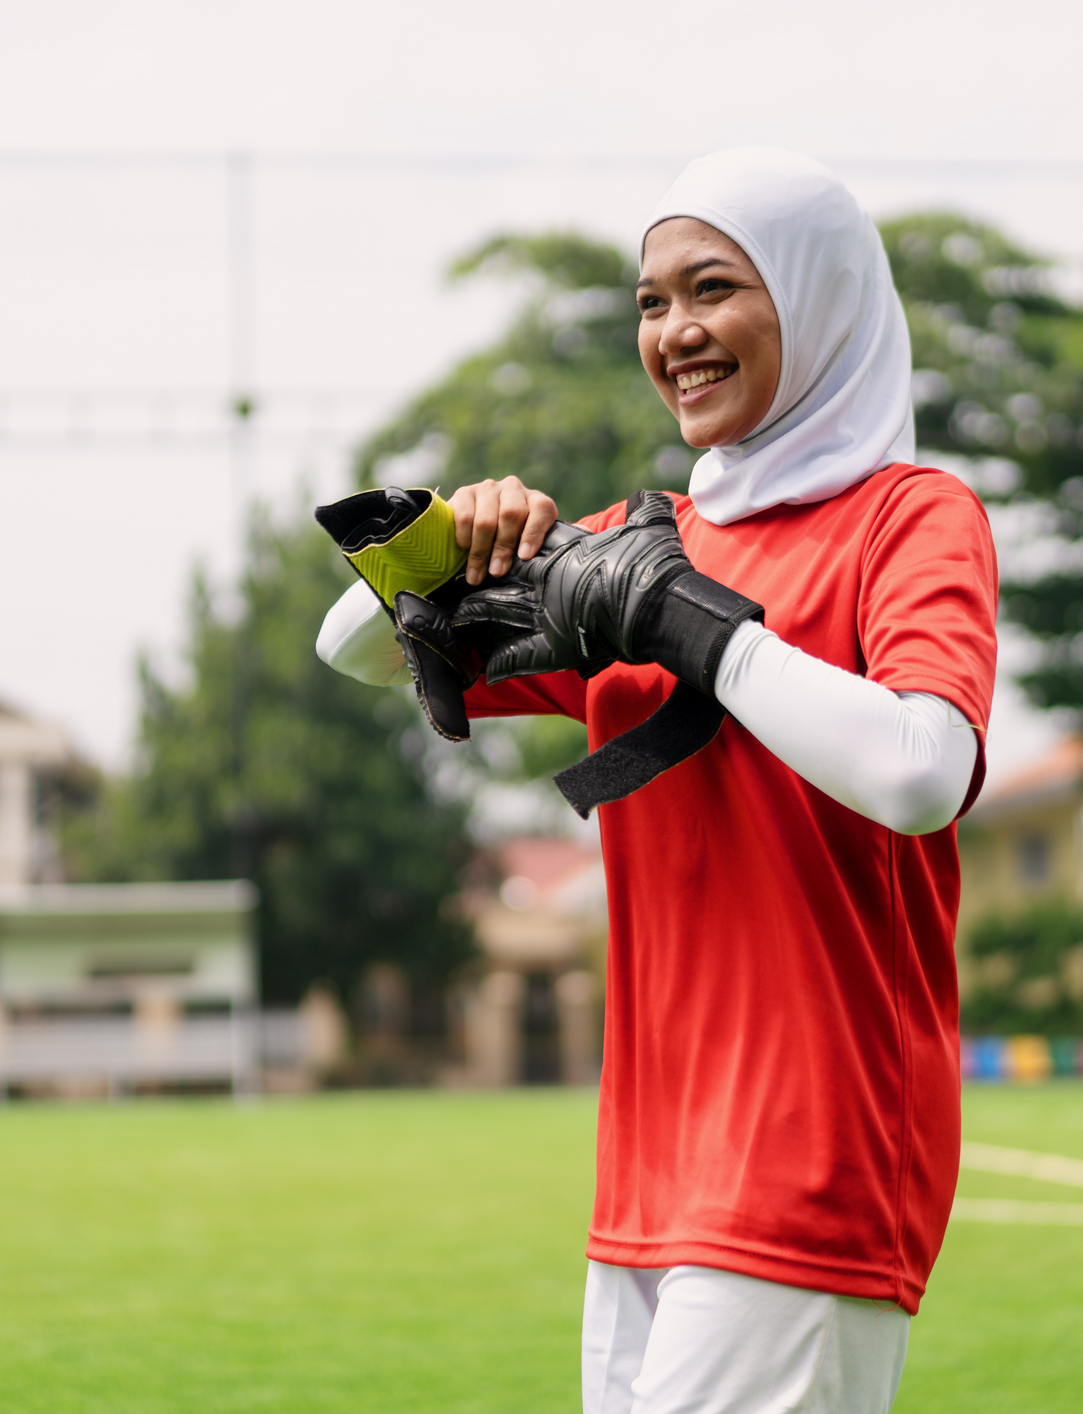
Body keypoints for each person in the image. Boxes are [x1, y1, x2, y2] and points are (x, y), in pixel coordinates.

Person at [318, 147, 997, 1414]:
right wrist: (451, 550)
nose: (676, 330)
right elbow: (351, 652)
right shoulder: (645, 549)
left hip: (812, 1153)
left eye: (714, 288)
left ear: (819, 297)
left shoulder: (911, 517)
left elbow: (923, 767)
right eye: (650, 301)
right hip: (651, 1169)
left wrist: (697, 626)